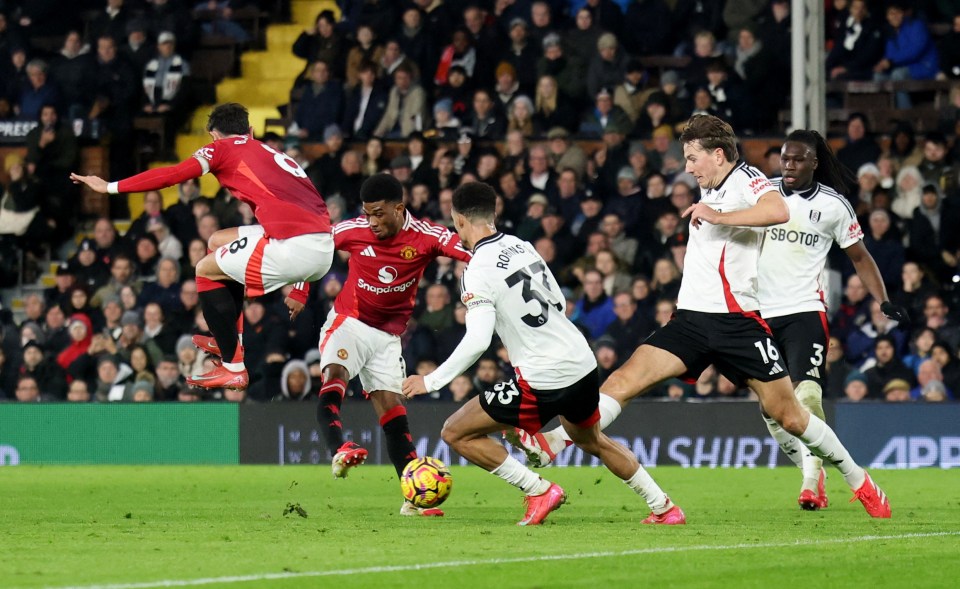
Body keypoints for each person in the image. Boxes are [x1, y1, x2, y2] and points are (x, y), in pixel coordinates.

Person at [509, 115, 891, 519]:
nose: (688, 167)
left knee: (791, 416)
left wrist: (718, 216)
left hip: (737, 324)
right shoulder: (711, 185)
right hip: (690, 321)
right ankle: (554, 442)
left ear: (719, 155)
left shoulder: (748, 180)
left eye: (693, 158)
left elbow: (777, 210)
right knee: (622, 381)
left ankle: (859, 480)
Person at [403, 182, 685, 526]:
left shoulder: (476, 270)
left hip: (543, 376)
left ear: (458, 219)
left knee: (455, 432)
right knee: (591, 439)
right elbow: (558, 302)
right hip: (580, 361)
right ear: (493, 213)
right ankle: (665, 508)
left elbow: (478, 340)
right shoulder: (522, 245)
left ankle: (537, 489)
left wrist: (431, 380)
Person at [71, 103, 333, 390]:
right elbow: (314, 214)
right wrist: (302, 285)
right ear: (251, 131)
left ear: (212, 136)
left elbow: (171, 175)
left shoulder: (221, 148)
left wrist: (109, 187)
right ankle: (231, 342)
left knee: (205, 270)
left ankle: (234, 367)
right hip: (319, 244)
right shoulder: (271, 152)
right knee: (217, 242)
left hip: (295, 247)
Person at [757, 130, 908, 510]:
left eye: (796, 159)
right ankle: (815, 470)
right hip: (757, 312)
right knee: (771, 408)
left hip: (805, 309)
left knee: (807, 394)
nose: (788, 165)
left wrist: (883, 299)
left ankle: (811, 483)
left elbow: (859, 256)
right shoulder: (761, 194)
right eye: (784, 158)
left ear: (814, 163)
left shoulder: (834, 205)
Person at [315, 174, 471, 517]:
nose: (371, 222)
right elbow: (310, 251)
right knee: (335, 376)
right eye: (367, 214)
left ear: (399, 209)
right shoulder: (351, 230)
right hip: (349, 322)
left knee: (394, 415)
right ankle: (339, 448)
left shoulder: (426, 236)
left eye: (379, 214)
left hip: (387, 338)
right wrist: (298, 292)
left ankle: (413, 499)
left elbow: (468, 250)